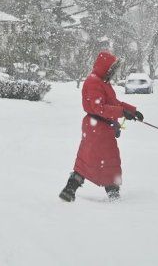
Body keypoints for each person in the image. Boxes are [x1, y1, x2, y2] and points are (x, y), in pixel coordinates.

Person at [59, 50, 144, 202]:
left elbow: (113, 103)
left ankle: (70, 189)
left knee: (93, 159)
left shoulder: (102, 82)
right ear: (104, 67)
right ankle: (111, 192)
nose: (113, 72)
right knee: (103, 159)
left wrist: (132, 111)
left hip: (101, 128)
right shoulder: (93, 82)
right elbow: (100, 108)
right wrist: (122, 112)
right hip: (96, 127)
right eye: (111, 69)